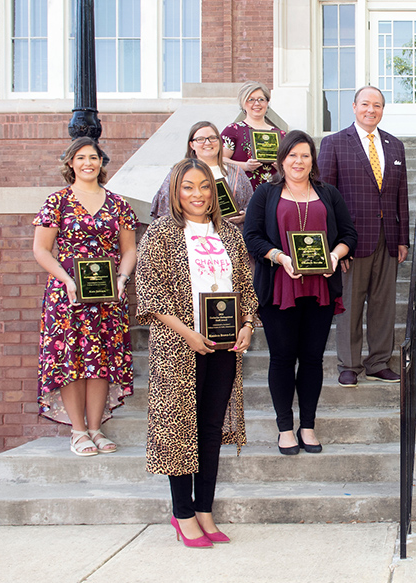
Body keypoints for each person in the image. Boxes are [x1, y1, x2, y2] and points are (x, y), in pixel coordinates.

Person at [136, 158, 257, 548]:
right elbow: (150, 294)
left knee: (208, 428)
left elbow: (245, 288)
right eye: (188, 187)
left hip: (223, 345)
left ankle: (204, 508)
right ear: (175, 191)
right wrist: (187, 333)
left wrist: (247, 324)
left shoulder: (229, 235)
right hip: (178, 347)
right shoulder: (160, 233)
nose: (198, 195)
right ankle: (182, 513)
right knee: (179, 429)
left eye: (204, 187)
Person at [243, 131, 357, 454]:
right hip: (280, 287)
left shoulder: (328, 193)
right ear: (282, 160)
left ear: (313, 160)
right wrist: (279, 257)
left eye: (305, 155)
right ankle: (284, 428)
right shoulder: (265, 194)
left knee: (311, 359)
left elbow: (349, 234)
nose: (298, 161)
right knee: (281, 359)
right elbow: (252, 236)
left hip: (319, 289)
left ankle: (307, 425)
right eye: (292, 155)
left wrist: (334, 256)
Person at [32, 137, 137, 456]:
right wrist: (66, 280)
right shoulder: (57, 201)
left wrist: (122, 278)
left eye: (93, 157)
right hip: (68, 296)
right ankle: (78, 432)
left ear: (102, 162)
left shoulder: (119, 203)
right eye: (81, 157)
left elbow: (129, 249)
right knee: (72, 361)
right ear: (70, 163)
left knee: (101, 362)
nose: (88, 162)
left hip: (107, 296)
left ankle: (96, 428)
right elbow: (41, 249)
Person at [318, 86, 410, 388]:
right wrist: (334, 246)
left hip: (388, 238)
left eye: (378, 105)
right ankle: (349, 364)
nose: (372, 110)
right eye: (366, 104)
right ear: (354, 106)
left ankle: (379, 362)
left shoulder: (395, 146)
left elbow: (400, 196)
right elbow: (325, 198)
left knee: (383, 304)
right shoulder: (333, 144)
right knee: (351, 304)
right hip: (352, 240)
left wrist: (402, 239)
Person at [151, 121, 253, 225]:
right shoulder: (180, 172)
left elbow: (251, 202)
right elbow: (166, 205)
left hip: (230, 236)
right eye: (200, 139)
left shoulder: (236, 171)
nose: (208, 143)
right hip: (190, 235)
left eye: (213, 138)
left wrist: (245, 215)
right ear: (192, 145)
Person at [221, 81, 288, 190]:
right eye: (251, 99)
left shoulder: (281, 135)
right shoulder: (233, 130)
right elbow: (220, 159)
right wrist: (245, 166)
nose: (257, 103)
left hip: (274, 191)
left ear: (267, 103)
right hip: (244, 191)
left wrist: (282, 166)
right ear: (243, 103)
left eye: (261, 99)